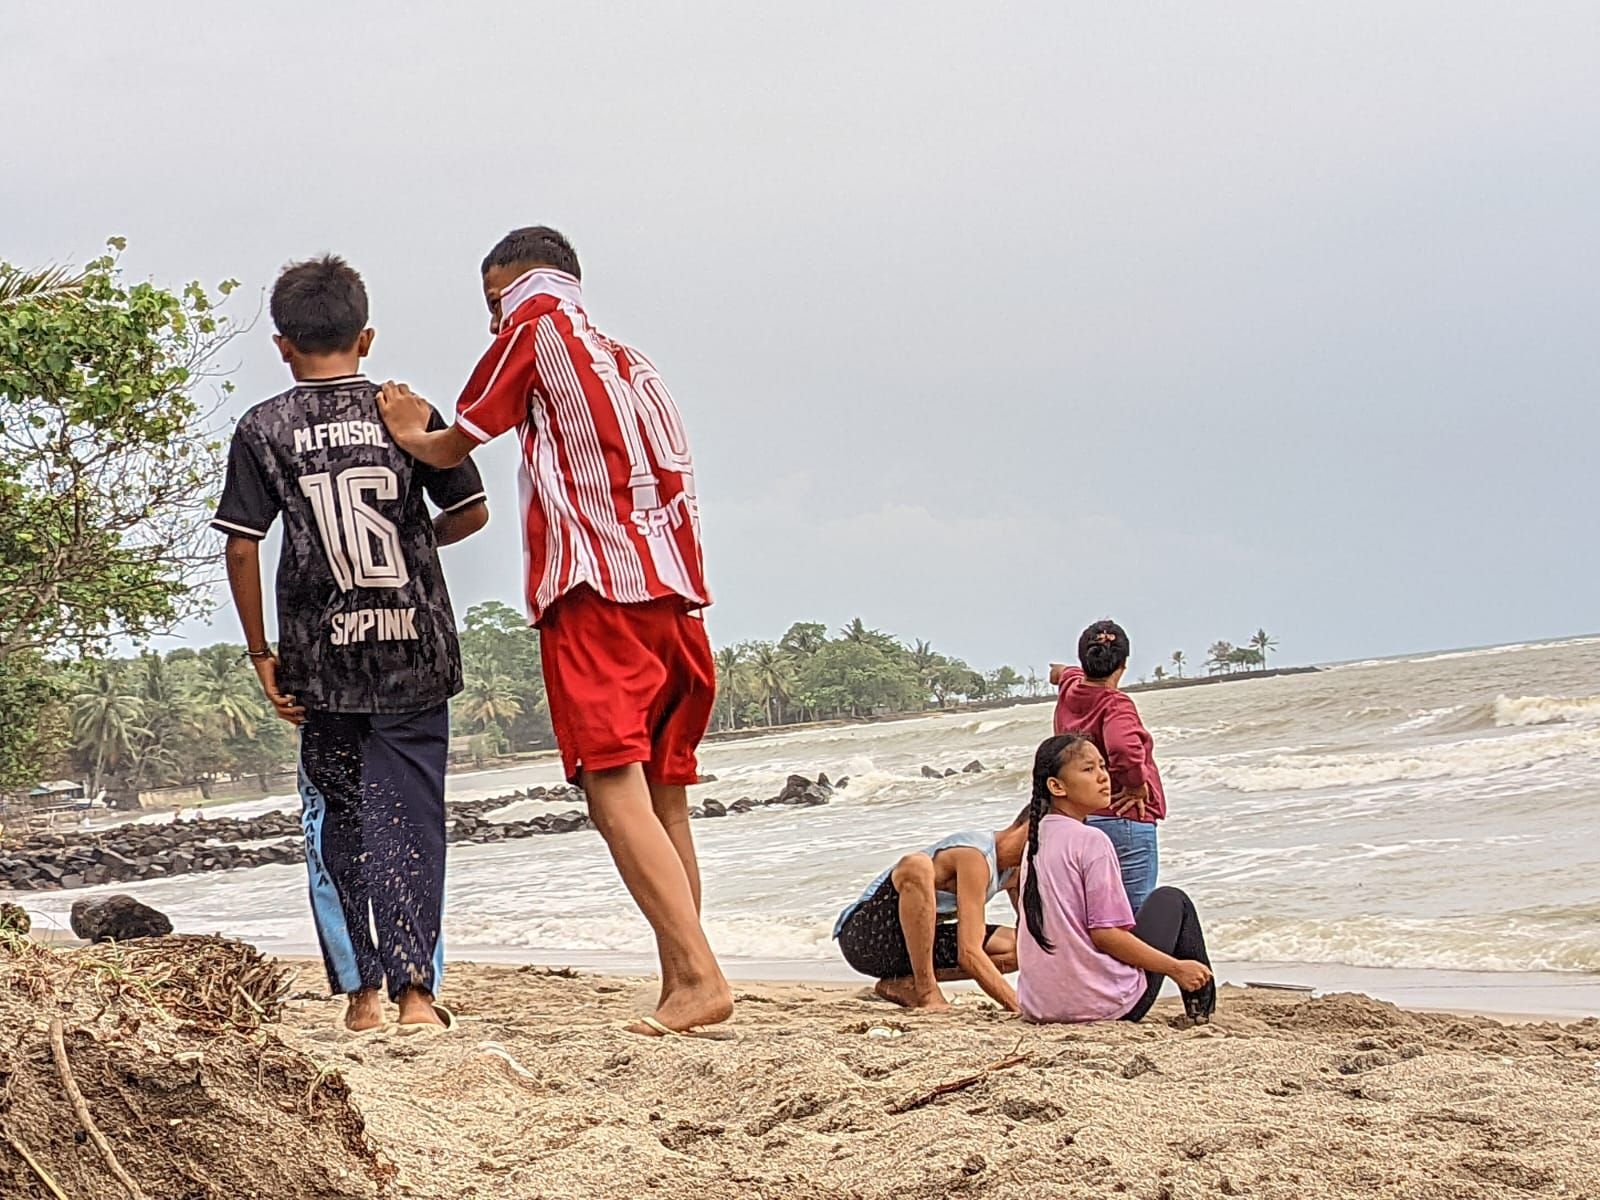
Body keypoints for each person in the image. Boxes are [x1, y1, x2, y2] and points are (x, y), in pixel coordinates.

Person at [373, 227, 729, 1038]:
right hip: (675, 590)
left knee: (611, 783)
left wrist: (405, 425)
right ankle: (685, 973)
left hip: (593, 588)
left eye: (489, 305)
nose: (492, 323)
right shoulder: (634, 360)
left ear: (506, 285)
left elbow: (454, 438)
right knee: (663, 793)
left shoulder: (533, 330)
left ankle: (700, 976)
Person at [212, 255, 488, 1033]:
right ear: (365, 336)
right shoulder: (407, 410)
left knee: (339, 818)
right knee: (413, 819)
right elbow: (472, 512)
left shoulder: (263, 428)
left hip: (320, 656)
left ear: (282, 345)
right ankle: (417, 997)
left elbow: (241, 546)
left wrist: (262, 653)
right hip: (413, 654)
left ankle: (362, 995)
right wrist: (414, 547)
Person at [1017, 733, 1215, 1024]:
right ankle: (1201, 1010)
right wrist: (1176, 968)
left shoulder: (1037, 838)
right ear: (1056, 786)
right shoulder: (1091, 840)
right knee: (1172, 901)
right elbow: (1106, 936)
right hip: (1101, 1006)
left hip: (1040, 1007)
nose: (1102, 777)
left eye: (1102, 766)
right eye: (1088, 769)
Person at [834, 813, 1027, 1013]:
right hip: (867, 939)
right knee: (917, 865)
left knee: (1020, 947)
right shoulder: (976, 854)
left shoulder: (1017, 871)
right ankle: (926, 991)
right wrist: (1018, 1007)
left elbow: (1035, 936)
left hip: (912, 947)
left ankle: (904, 983)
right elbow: (969, 952)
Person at [1049, 619, 1166, 911]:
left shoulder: (1071, 688)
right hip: (1125, 815)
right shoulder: (1115, 703)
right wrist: (1136, 784)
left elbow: (1062, 674)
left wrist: (1062, 672)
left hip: (1081, 816)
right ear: (1123, 665)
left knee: (1097, 910)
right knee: (1133, 911)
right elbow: (1123, 748)